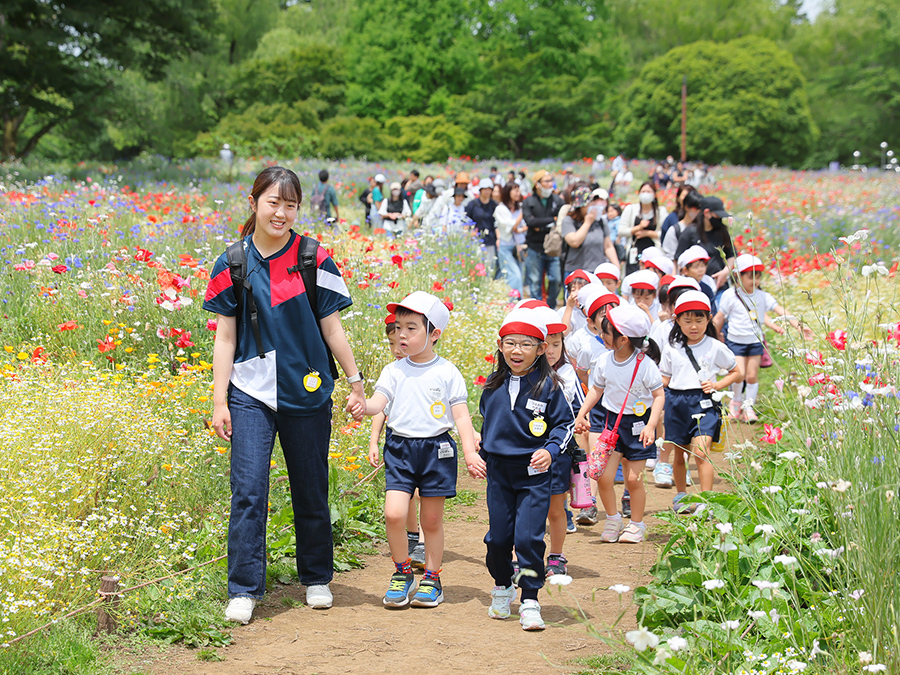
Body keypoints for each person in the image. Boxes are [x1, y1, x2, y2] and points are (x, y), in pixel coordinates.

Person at [205, 166, 366, 625]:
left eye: (290, 205)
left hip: (307, 388)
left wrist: (355, 382)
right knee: (249, 491)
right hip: (250, 392)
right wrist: (220, 400)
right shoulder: (232, 262)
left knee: (311, 486)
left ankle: (316, 577)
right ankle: (243, 588)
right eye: (273, 202)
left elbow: (332, 328)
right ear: (254, 202)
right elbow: (225, 338)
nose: (281, 212)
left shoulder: (314, 257)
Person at [364, 292, 483, 608]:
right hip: (400, 448)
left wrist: (470, 452)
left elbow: (461, 416)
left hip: (437, 449)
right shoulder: (394, 370)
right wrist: (363, 405)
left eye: (411, 328)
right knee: (394, 514)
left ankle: (432, 577)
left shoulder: (447, 372)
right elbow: (379, 403)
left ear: (434, 334)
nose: (402, 334)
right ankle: (402, 573)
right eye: (399, 327)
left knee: (431, 520)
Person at [479, 307, 575, 631]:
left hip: (534, 475)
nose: (516, 351)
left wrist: (550, 451)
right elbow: (487, 425)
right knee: (498, 539)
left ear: (541, 348)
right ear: (500, 345)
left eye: (526, 344)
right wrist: (479, 452)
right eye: (510, 343)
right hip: (499, 473)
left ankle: (530, 598)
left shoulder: (549, 387)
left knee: (528, 538)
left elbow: (565, 425)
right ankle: (502, 584)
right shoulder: (491, 387)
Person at [574, 305, 664, 544]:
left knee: (633, 480)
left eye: (606, 332)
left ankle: (637, 525)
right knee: (603, 475)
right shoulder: (604, 361)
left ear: (623, 339)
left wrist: (651, 425)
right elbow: (596, 390)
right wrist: (582, 413)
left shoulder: (645, 364)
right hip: (612, 426)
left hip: (639, 427)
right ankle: (613, 519)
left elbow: (659, 396)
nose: (601, 336)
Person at [660, 291, 742, 513]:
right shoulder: (671, 348)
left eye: (699, 320)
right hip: (676, 402)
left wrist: (717, 385)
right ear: (677, 320)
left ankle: (706, 500)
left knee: (701, 452)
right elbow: (665, 379)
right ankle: (681, 496)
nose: (693, 326)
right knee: (680, 453)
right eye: (687, 321)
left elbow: (736, 372)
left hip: (703, 402)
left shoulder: (715, 346)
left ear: (709, 319)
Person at [517, 300, 582, 570]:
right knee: (524, 509)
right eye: (547, 344)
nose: (552, 351)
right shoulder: (519, 373)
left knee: (557, 508)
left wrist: (581, 420)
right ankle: (522, 558)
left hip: (557, 452)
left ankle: (556, 556)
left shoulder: (567, 373)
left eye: (557, 344)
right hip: (525, 452)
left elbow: (579, 407)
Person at [713, 254, 813, 423]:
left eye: (757, 276)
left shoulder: (762, 296)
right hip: (735, 341)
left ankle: (748, 407)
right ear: (738, 276)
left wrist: (799, 325)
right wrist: (713, 338)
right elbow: (719, 317)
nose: (755, 280)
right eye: (750, 276)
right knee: (739, 374)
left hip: (754, 342)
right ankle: (735, 403)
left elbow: (780, 311)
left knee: (752, 375)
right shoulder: (730, 295)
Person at [369, 314, 426, 568]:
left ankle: (423, 542)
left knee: (424, 492)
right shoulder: (391, 373)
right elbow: (381, 409)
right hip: (397, 439)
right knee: (406, 493)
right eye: (392, 344)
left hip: (426, 440)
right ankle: (412, 535)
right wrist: (373, 441)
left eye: (401, 344)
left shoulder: (428, 371)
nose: (396, 350)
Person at [675, 196, 736, 299]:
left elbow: (731, 254)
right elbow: (678, 260)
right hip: (695, 287)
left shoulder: (722, 231)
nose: (719, 219)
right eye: (717, 215)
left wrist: (726, 271)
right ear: (707, 213)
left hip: (719, 285)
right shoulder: (690, 232)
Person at [522, 170, 564, 308]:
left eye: (550, 180)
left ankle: (550, 307)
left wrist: (541, 224)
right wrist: (552, 220)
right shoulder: (529, 201)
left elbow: (561, 219)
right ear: (537, 184)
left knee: (556, 279)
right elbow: (530, 221)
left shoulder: (557, 201)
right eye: (546, 181)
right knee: (535, 282)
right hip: (535, 247)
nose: (549, 184)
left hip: (553, 248)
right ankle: (537, 308)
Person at [561, 186, 620, 280]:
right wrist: (587, 223)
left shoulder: (600, 221)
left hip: (597, 272)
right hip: (576, 273)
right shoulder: (569, 221)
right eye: (588, 203)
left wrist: (616, 267)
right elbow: (574, 242)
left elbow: (608, 246)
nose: (592, 206)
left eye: (593, 202)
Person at [619, 182, 669, 275]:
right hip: (634, 252)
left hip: (654, 252)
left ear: (654, 195)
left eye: (648, 192)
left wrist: (648, 233)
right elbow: (621, 231)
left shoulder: (661, 211)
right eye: (643, 191)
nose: (645, 194)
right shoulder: (630, 209)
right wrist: (638, 228)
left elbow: (665, 233)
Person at [494, 182, 526, 297]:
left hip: (519, 246)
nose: (518, 193)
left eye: (519, 190)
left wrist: (520, 227)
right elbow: (513, 227)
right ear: (508, 192)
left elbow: (522, 226)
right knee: (513, 275)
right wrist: (521, 218)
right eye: (515, 190)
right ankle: (513, 302)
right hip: (506, 246)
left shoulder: (520, 207)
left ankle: (518, 300)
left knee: (520, 275)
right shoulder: (500, 209)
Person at [465, 178, 499, 272]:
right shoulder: (472, 204)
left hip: (490, 240)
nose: (487, 191)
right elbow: (466, 221)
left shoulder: (494, 205)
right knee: (477, 265)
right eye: (485, 189)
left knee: (490, 266)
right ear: (480, 190)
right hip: (476, 240)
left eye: (489, 189)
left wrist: (498, 239)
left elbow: (496, 223)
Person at [661, 189, 702, 260]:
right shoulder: (675, 230)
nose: (698, 212)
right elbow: (670, 256)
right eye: (696, 208)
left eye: (701, 209)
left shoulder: (702, 228)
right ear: (686, 207)